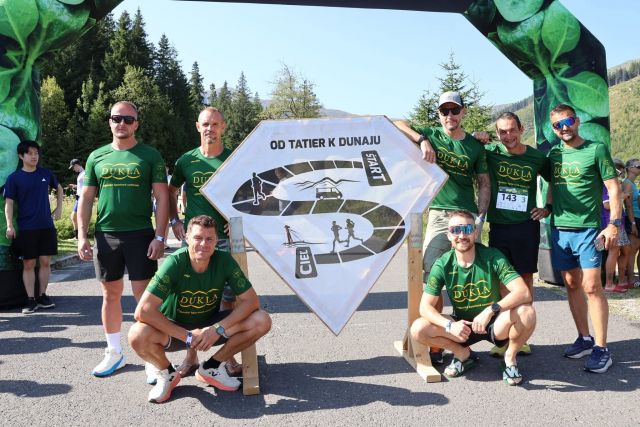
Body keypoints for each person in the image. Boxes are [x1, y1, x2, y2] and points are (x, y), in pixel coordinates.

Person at [128, 215, 271, 403]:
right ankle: (167, 373)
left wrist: (216, 329)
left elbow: (251, 302)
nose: (204, 244)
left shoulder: (224, 260)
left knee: (261, 320)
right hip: (175, 329)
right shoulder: (175, 262)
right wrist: (188, 336)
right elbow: (143, 311)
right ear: (187, 238)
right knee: (137, 334)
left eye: (209, 239)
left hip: (209, 327)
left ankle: (212, 367)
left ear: (216, 240)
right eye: (198, 238)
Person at [395, 91, 490, 363]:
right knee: (432, 276)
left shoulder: (475, 145)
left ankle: (469, 336)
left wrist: (481, 217)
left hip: (467, 216)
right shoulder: (432, 134)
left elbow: (484, 182)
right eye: (444, 111)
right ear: (439, 114)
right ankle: (436, 342)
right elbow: (397, 123)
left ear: (463, 112)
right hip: (439, 215)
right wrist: (422, 140)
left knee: (469, 277)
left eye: (454, 110)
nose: (450, 115)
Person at [77, 101, 169, 377]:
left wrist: (160, 235)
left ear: (136, 124)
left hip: (140, 234)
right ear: (110, 121)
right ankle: (114, 352)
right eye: (117, 118)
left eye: (128, 119)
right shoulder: (97, 157)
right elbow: (86, 198)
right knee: (110, 294)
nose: (122, 123)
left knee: (145, 298)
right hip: (106, 235)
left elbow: (162, 197)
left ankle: (151, 355)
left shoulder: (150, 155)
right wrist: (82, 235)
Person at [410, 210, 535, 385]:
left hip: (494, 323)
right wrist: (450, 325)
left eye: (467, 229)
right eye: (456, 230)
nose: (462, 235)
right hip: (462, 327)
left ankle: (510, 358)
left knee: (527, 312)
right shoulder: (442, 263)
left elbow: (523, 292)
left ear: (475, 233)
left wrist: (490, 310)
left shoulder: (493, 256)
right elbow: (425, 307)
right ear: (449, 235)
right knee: (418, 329)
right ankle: (462, 354)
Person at [547, 103, 621, 373]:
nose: (564, 128)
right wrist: (547, 206)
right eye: (557, 125)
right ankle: (585, 338)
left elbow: (614, 188)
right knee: (570, 283)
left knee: (592, 286)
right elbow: (553, 184)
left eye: (568, 122)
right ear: (553, 129)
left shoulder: (596, 149)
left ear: (577, 121)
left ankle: (602, 349)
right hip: (559, 229)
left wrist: (614, 224)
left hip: (589, 229)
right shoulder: (554, 154)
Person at [167, 107, 240, 376]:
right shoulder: (186, 160)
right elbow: (170, 190)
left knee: (229, 298)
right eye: (206, 124)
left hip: (225, 239)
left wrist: (238, 219)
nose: (210, 128)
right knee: (190, 300)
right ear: (198, 127)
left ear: (223, 127)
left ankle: (227, 357)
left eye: (215, 124)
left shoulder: (234, 159)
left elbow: (250, 191)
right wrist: (174, 220)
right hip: (195, 241)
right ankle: (191, 358)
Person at [480, 112, 551, 356]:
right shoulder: (491, 152)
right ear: (497, 133)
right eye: (502, 132)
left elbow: (554, 180)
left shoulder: (537, 157)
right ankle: (504, 336)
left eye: (512, 130)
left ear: (521, 129)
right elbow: (468, 145)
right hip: (499, 226)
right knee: (501, 281)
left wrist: (547, 207)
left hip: (525, 226)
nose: (508, 136)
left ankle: (522, 335)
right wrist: (477, 136)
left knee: (525, 280)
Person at [3, 140, 63, 314]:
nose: (34, 156)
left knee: (45, 262)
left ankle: (42, 296)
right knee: (29, 263)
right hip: (27, 227)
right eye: (30, 153)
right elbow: (9, 203)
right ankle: (30, 299)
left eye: (36, 153)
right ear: (21, 156)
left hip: (46, 226)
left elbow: (59, 188)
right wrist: (9, 225)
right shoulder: (14, 178)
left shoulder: (45, 173)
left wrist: (59, 208)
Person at [601, 159, 631, 293]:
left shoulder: (614, 184)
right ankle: (609, 284)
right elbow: (607, 204)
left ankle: (621, 280)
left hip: (619, 223)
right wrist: (622, 196)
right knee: (613, 252)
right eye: (620, 172)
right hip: (611, 223)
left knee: (625, 251)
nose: (621, 175)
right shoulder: (605, 184)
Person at [622, 158, 640, 288]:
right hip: (634, 219)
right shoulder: (627, 183)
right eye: (638, 165)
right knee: (632, 250)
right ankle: (631, 278)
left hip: (638, 218)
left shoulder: (633, 184)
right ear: (629, 168)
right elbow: (628, 206)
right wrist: (633, 224)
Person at [68, 158, 85, 239]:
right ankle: (78, 237)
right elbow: (81, 186)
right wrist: (75, 186)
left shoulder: (84, 174)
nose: (73, 169)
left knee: (76, 217)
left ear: (76, 165)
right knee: (74, 217)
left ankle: (80, 237)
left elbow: (87, 187)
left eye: (73, 167)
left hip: (81, 198)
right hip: (78, 198)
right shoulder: (81, 174)